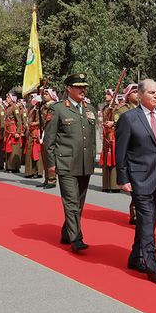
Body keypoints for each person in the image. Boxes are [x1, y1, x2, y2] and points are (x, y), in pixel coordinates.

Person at [116, 79, 156, 282]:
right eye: (151, 93)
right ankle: (153, 265)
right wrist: (122, 178)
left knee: (149, 222)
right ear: (140, 95)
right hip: (138, 178)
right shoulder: (129, 118)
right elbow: (120, 151)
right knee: (147, 221)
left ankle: (135, 257)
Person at [43, 73, 97, 252]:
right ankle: (76, 239)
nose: (83, 90)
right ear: (69, 88)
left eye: (84, 87)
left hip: (84, 163)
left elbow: (91, 139)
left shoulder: (90, 108)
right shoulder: (57, 109)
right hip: (65, 163)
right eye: (79, 86)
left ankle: (67, 233)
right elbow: (49, 140)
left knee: (79, 203)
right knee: (71, 202)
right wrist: (51, 164)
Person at [114, 84, 139, 224]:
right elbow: (120, 131)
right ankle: (134, 212)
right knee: (134, 186)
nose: (137, 94)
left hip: (142, 151)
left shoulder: (144, 109)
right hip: (129, 150)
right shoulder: (122, 111)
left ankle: (137, 210)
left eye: (138, 91)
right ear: (128, 95)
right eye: (134, 92)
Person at [100, 89, 119, 193]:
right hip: (106, 135)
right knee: (106, 160)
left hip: (113, 136)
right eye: (106, 94)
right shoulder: (106, 107)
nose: (106, 96)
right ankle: (106, 185)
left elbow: (120, 120)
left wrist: (113, 123)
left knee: (113, 160)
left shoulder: (117, 107)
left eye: (108, 94)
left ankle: (114, 185)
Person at [39, 89, 58, 188]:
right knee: (45, 156)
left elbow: (50, 121)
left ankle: (52, 179)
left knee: (50, 156)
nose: (44, 96)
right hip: (45, 132)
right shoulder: (44, 106)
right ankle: (46, 178)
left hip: (52, 133)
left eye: (47, 94)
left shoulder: (53, 106)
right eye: (44, 94)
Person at [24, 94, 43, 179]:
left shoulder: (40, 110)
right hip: (31, 132)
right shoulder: (32, 109)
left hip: (36, 132)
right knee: (29, 152)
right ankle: (29, 171)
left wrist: (34, 123)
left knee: (36, 152)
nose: (31, 99)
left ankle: (37, 172)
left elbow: (42, 121)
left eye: (32, 98)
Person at [4, 93, 23, 173]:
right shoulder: (8, 107)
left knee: (14, 149)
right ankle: (9, 166)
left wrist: (18, 132)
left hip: (13, 129)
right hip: (8, 129)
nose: (7, 98)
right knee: (8, 148)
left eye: (8, 97)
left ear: (12, 98)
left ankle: (15, 167)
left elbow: (19, 120)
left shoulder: (15, 107)